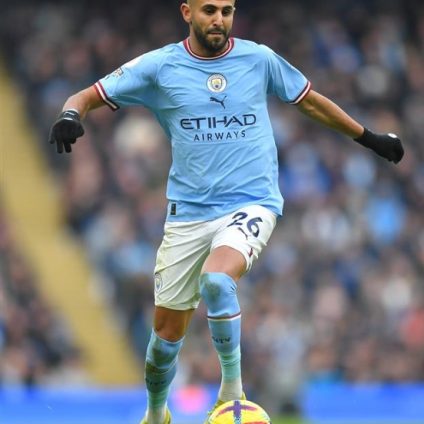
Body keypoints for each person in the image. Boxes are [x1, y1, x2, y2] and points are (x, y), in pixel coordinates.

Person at [48, 0, 404, 422]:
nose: (219, 20)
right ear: (187, 13)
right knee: (165, 338)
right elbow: (86, 95)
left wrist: (368, 138)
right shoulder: (159, 67)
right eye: (209, 10)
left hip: (251, 202)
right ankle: (156, 414)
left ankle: (232, 394)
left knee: (217, 281)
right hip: (188, 215)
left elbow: (309, 101)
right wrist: (70, 114)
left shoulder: (259, 59)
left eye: (227, 11)